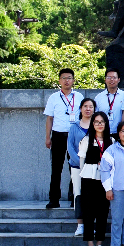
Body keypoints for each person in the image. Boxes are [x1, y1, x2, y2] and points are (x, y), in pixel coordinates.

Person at [44, 68, 83, 209]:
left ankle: (74, 197)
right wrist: (48, 137)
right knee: (56, 168)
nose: (67, 81)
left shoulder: (79, 96)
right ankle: (54, 199)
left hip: (74, 136)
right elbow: (49, 118)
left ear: (73, 80)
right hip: (58, 135)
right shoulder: (53, 97)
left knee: (75, 167)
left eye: (69, 78)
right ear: (59, 80)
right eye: (64, 78)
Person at [78, 112, 111, 246]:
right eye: (97, 122)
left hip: (105, 180)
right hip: (89, 178)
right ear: (92, 124)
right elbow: (81, 161)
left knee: (103, 211)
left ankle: (100, 243)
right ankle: (90, 244)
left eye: (102, 122)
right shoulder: (86, 140)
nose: (99, 124)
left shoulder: (111, 140)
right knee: (89, 211)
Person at [67, 98, 96, 236]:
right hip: (77, 166)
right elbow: (70, 147)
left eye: (91, 106)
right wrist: (80, 163)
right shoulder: (74, 127)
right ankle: (80, 224)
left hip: (93, 167)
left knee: (92, 196)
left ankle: (91, 224)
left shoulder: (97, 126)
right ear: (80, 109)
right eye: (85, 106)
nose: (88, 109)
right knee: (78, 194)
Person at [95, 68, 124, 134]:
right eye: (109, 77)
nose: (111, 80)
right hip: (103, 133)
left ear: (119, 80)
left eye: (114, 77)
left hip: (120, 133)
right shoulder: (98, 97)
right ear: (105, 80)